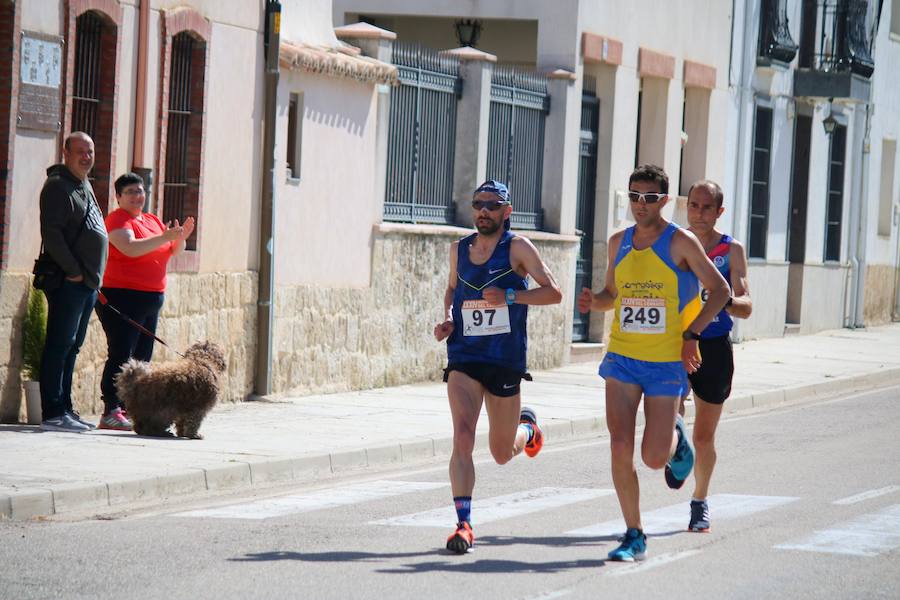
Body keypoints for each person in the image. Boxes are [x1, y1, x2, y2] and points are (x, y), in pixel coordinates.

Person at [577, 164, 729, 561]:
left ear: (663, 201)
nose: (639, 205)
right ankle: (634, 532)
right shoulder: (617, 242)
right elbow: (613, 292)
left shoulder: (680, 242)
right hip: (623, 359)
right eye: (633, 197)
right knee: (619, 446)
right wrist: (597, 300)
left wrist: (692, 334)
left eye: (648, 198)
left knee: (653, 457)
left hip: (664, 362)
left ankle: (678, 443)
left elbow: (719, 290)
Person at [434, 180, 562, 554]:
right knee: (462, 435)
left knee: (502, 453)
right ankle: (463, 524)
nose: (483, 211)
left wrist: (511, 295)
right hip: (465, 357)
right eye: (478, 204)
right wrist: (447, 318)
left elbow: (553, 292)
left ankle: (528, 427)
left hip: (504, 359)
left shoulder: (518, 248)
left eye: (492, 204)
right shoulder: (459, 249)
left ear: (507, 211)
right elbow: (451, 290)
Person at [678, 180, 752, 532]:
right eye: (694, 205)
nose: (699, 213)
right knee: (669, 423)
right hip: (674, 344)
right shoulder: (673, 242)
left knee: (704, 437)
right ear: (686, 206)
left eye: (708, 207)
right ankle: (675, 453)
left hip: (714, 347)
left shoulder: (731, 249)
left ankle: (700, 500)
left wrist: (721, 299)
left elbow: (747, 305)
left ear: (719, 211)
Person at [94, 173, 194, 430]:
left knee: (143, 356)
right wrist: (166, 237)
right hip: (122, 296)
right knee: (121, 353)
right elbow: (130, 248)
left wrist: (180, 237)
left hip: (151, 298)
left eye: (140, 191)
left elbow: (172, 250)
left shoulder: (150, 220)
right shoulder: (117, 220)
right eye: (130, 192)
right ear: (118, 197)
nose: (138, 196)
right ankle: (111, 409)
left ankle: (133, 408)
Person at [38, 132, 109, 432]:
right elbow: (51, 234)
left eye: (90, 151)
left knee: (73, 347)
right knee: (59, 345)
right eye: (80, 151)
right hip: (70, 282)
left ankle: (65, 408)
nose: (86, 156)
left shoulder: (84, 184)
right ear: (65, 152)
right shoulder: (58, 186)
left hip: (87, 285)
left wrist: (91, 277)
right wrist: (74, 270)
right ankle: (53, 412)